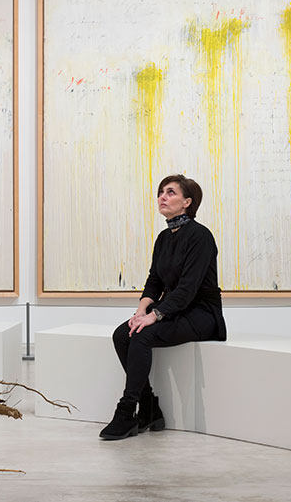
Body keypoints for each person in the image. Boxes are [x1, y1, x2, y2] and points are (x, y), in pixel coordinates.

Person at [99, 174, 227, 440]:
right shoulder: (163, 237)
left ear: (187, 202)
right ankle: (149, 407)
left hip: (201, 312)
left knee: (143, 335)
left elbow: (188, 289)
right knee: (123, 334)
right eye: (160, 192)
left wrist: (155, 316)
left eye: (170, 192)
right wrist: (140, 312)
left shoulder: (200, 236)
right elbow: (154, 281)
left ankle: (127, 411)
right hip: (174, 307)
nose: (162, 197)